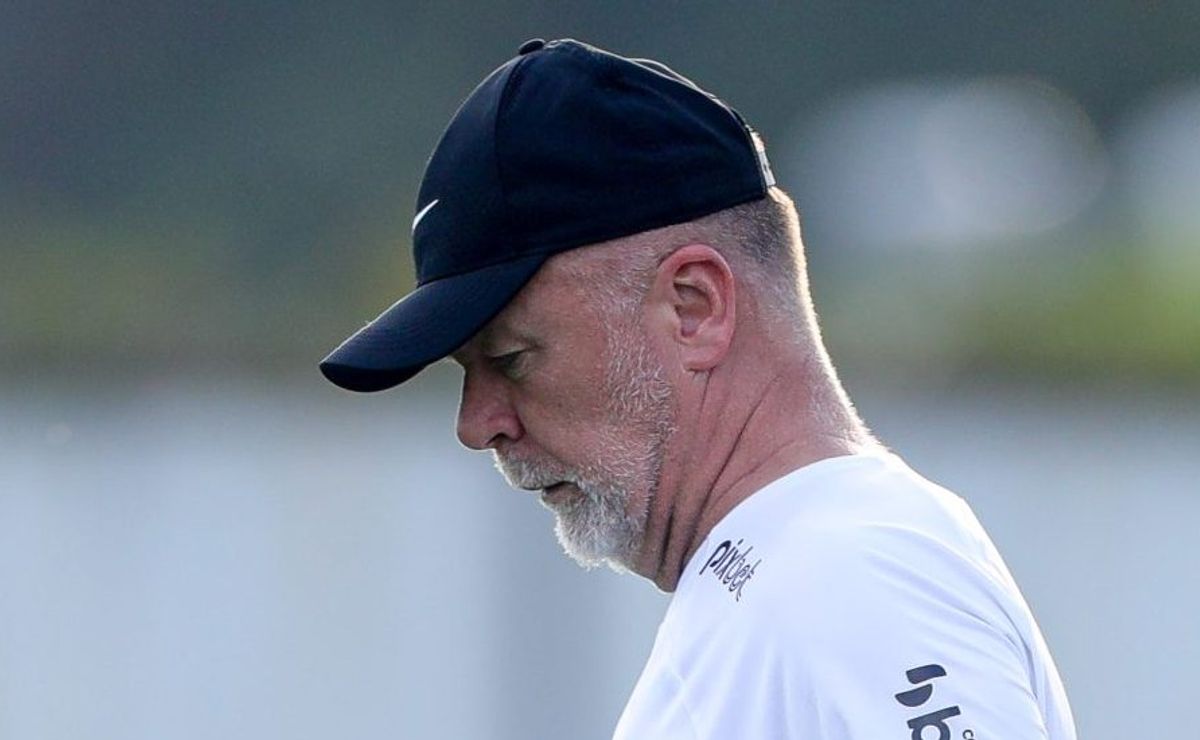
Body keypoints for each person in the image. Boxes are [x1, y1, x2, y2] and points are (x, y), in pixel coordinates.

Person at [319, 38, 1077, 740]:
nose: (477, 424)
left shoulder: (854, 572)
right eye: (465, 370)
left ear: (695, 307)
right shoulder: (788, 570)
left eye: (511, 358)